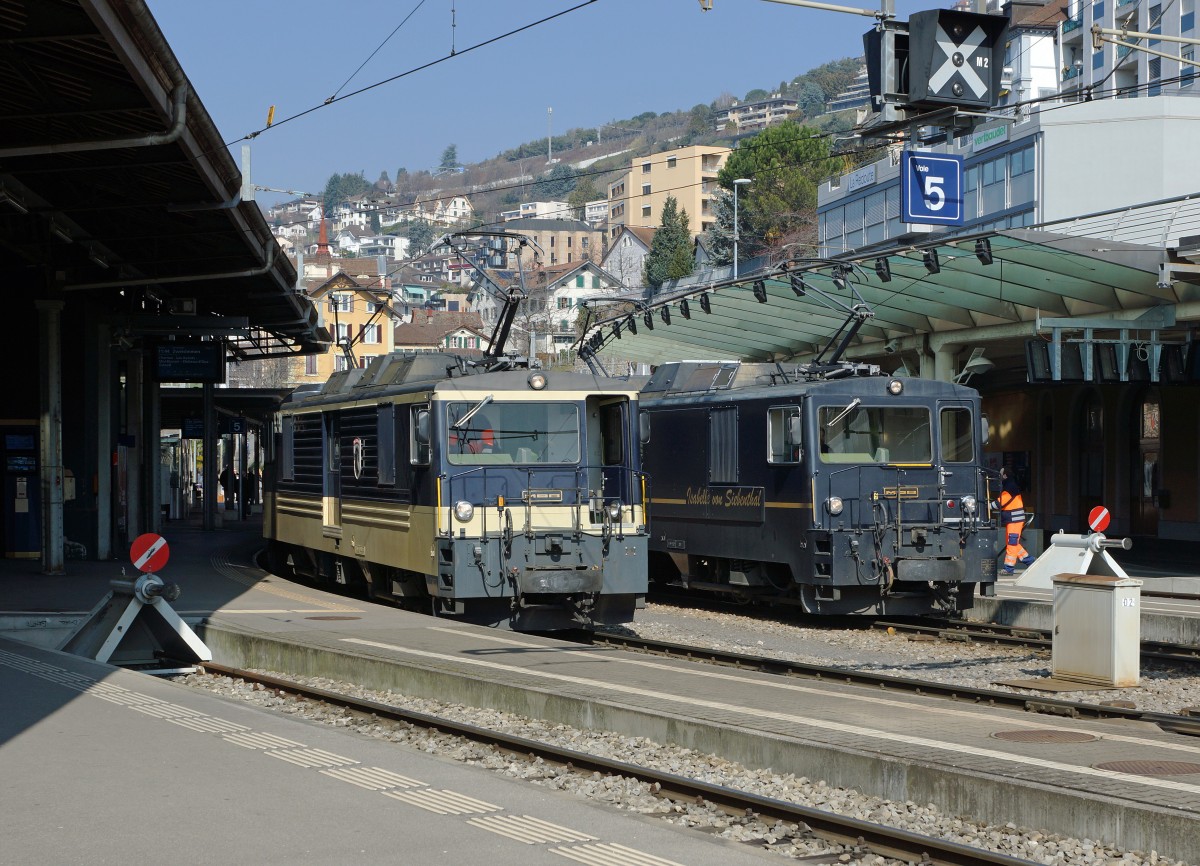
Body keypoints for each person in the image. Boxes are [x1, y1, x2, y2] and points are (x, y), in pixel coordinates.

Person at [993, 467, 1034, 575]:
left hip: (1014, 520)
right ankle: (1029, 560)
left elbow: (999, 503)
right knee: (1012, 542)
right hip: (1013, 519)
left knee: (1012, 542)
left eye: (1001, 475)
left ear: (1005, 476)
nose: (1000, 477)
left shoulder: (1009, 487)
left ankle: (1008, 568)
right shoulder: (1011, 486)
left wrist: (985, 505)